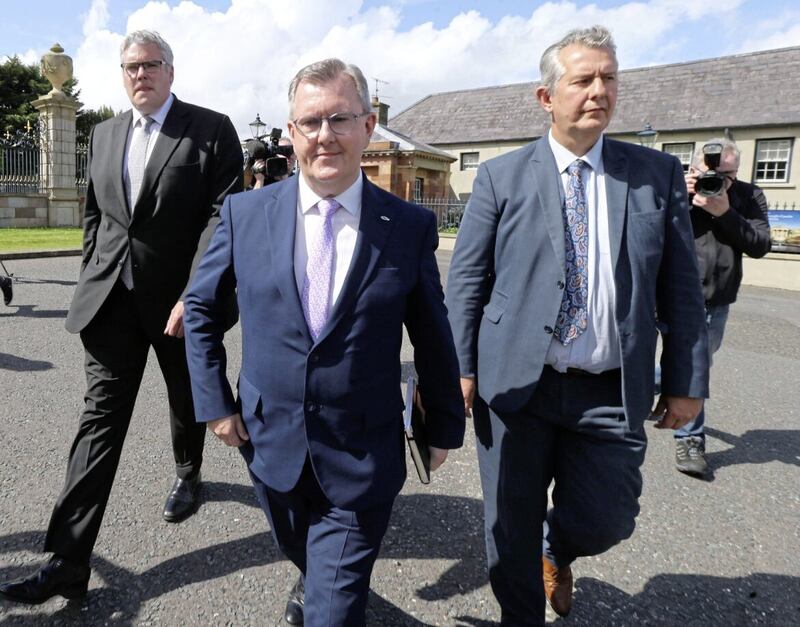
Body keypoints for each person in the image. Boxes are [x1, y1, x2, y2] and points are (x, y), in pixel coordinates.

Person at [183, 58, 464, 626]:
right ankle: (313, 579)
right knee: (305, 556)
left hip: (363, 452)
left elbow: (433, 334)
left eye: (340, 118)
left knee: (333, 612)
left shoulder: (408, 227)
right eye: (309, 122)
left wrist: (444, 426)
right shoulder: (244, 213)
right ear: (290, 134)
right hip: (268, 444)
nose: (324, 135)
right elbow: (201, 309)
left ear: (368, 126)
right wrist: (213, 403)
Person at [446, 26, 709, 623]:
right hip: (517, 385)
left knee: (608, 518)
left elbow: (682, 290)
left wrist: (688, 378)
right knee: (507, 524)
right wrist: (458, 367)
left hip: (609, 387)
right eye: (583, 79)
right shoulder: (500, 177)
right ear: (546, 97)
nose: (599, 91)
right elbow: (465, 284)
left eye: (609, 78)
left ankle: (558, 549)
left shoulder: (655, 175)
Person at [0, 30, 242, 605]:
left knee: (189, 400)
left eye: (151, 65)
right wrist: (90, 274)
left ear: (170, 71)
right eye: (130, 67)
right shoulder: (105, 134)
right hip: (111, 303)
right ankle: (68, 561)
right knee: (98, 424)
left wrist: (196, 294)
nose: (140, 75)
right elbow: (96, 217)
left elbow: (224, 219)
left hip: (180, 305)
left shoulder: (210, 129)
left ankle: (189, 472)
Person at [674, 138, 771, 476]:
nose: (717, 181)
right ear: (695, 169)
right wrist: (679, 198)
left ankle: (658, 383)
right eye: (709, 173)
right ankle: (689, 440)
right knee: (694, 365)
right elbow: (649, 233)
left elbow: (760, 245)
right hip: (672, 296)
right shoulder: (675, 189)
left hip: (716, 300)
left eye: (726, 175)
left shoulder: (748, 196)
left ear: (737, 171)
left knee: (697, 362)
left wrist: (727, 213)